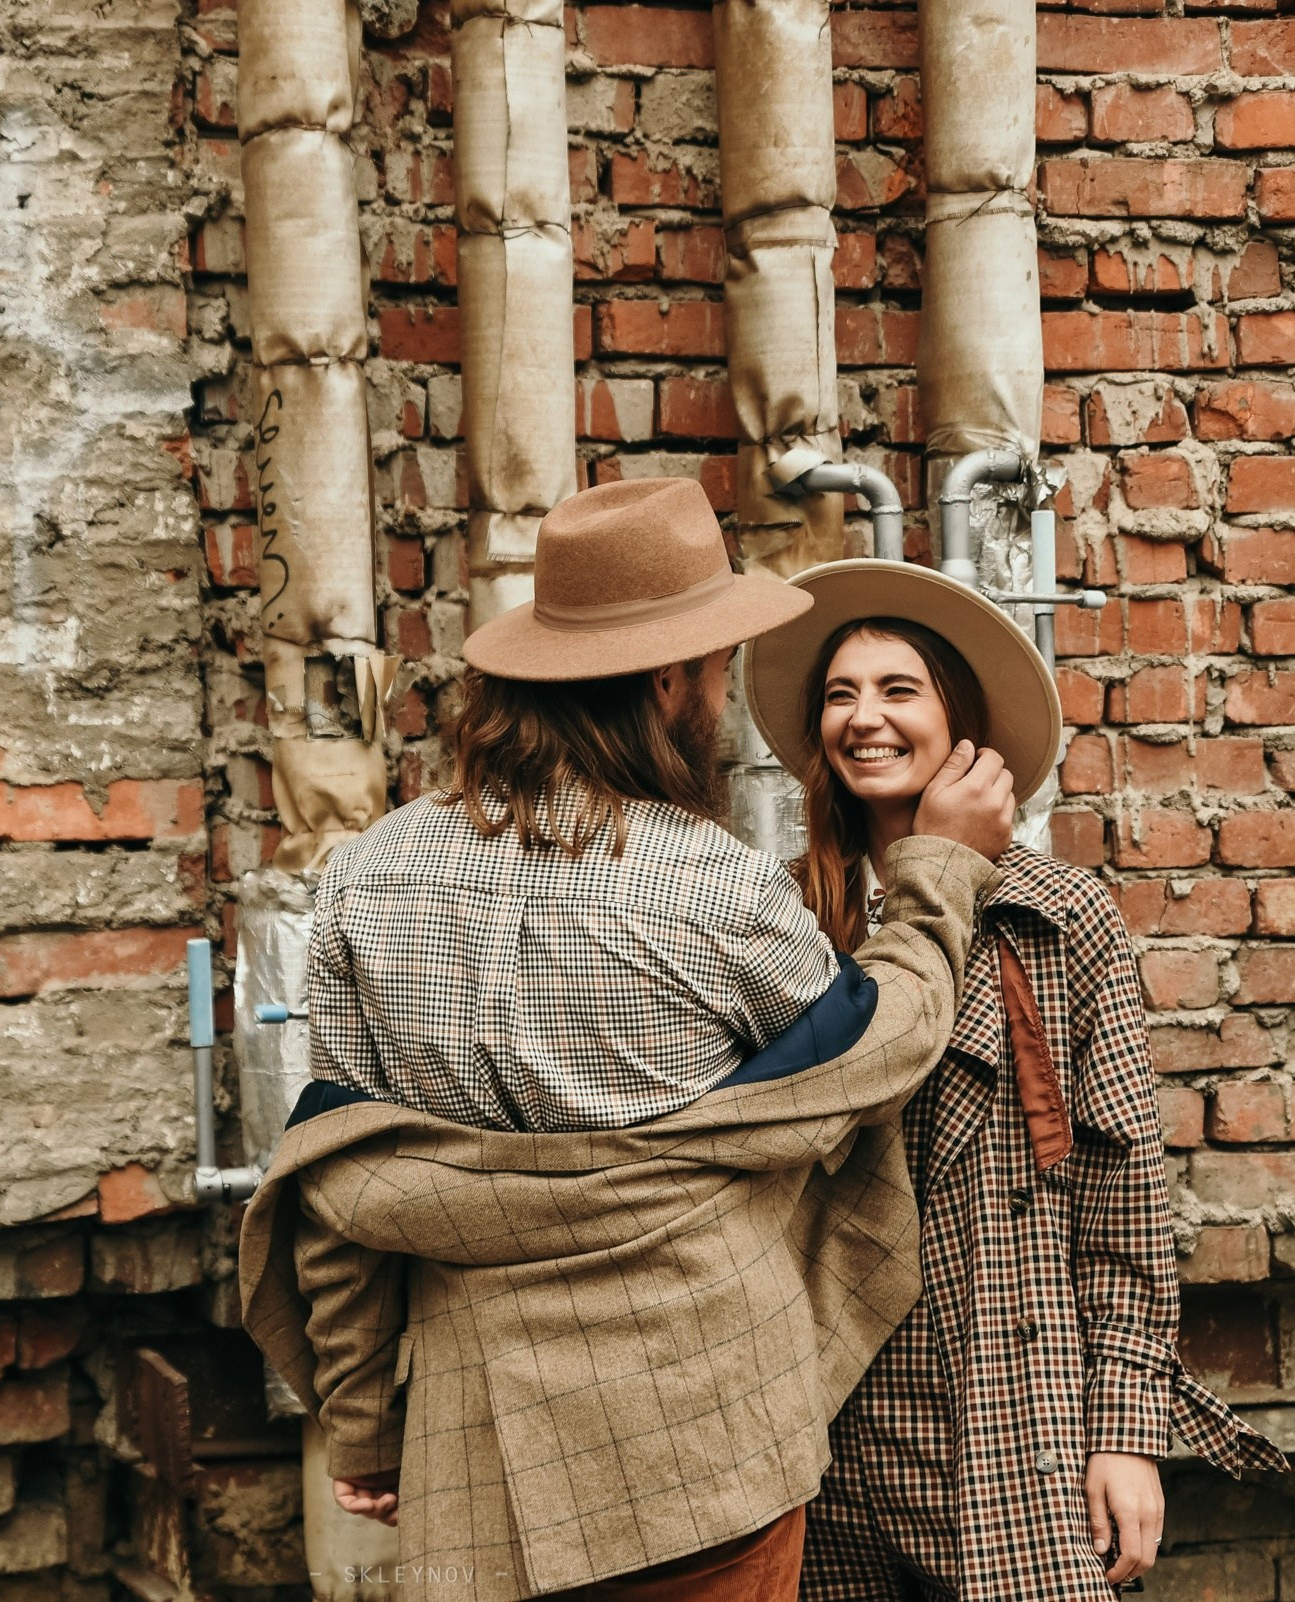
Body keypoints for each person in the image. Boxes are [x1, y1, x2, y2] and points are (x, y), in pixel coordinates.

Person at [238, 478, 1016, 1602]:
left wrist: (360, 1420)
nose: (723, 698)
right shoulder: (712, 882)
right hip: (703, 1449)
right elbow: (878, 1053)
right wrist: (938, 872)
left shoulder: (367, 873)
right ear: (667, 681)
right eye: (718, 671)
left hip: (476, 1453)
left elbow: (342, 1165)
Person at [742, 558, 1288, 1602]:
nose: (865, 718)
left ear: (960, 723)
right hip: (825, 1430)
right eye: (841, 695)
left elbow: (1124, 1189)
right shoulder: (782, 921)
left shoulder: (1057, 918)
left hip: (1014, 1414)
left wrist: (1124, 1431)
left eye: (898, 690)